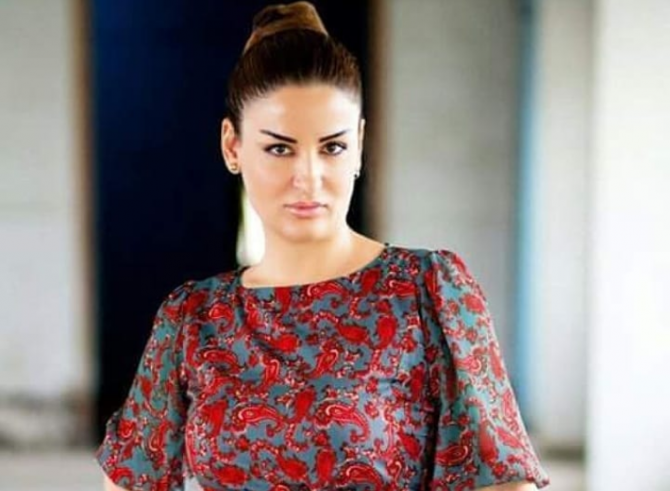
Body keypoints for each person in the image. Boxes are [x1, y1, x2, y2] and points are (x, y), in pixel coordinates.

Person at [96, 2, 551, 490]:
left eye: (332, 147)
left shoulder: (428, 293)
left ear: (359, 144)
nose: (308, 177)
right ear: (232, 146)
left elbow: (503, 481)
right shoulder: (192, 320)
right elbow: (128, 480)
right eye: (279, 148)